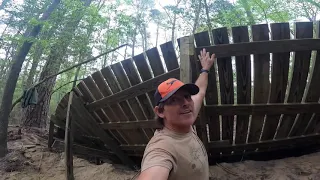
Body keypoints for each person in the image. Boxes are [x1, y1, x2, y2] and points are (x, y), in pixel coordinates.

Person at [138, 48, 215, 180]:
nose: (186, 103)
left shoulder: (185, 118)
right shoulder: (161, 148)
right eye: (174, 100)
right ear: (160, 111)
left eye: (186, 96)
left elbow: (200, 91)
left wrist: (205, 69)